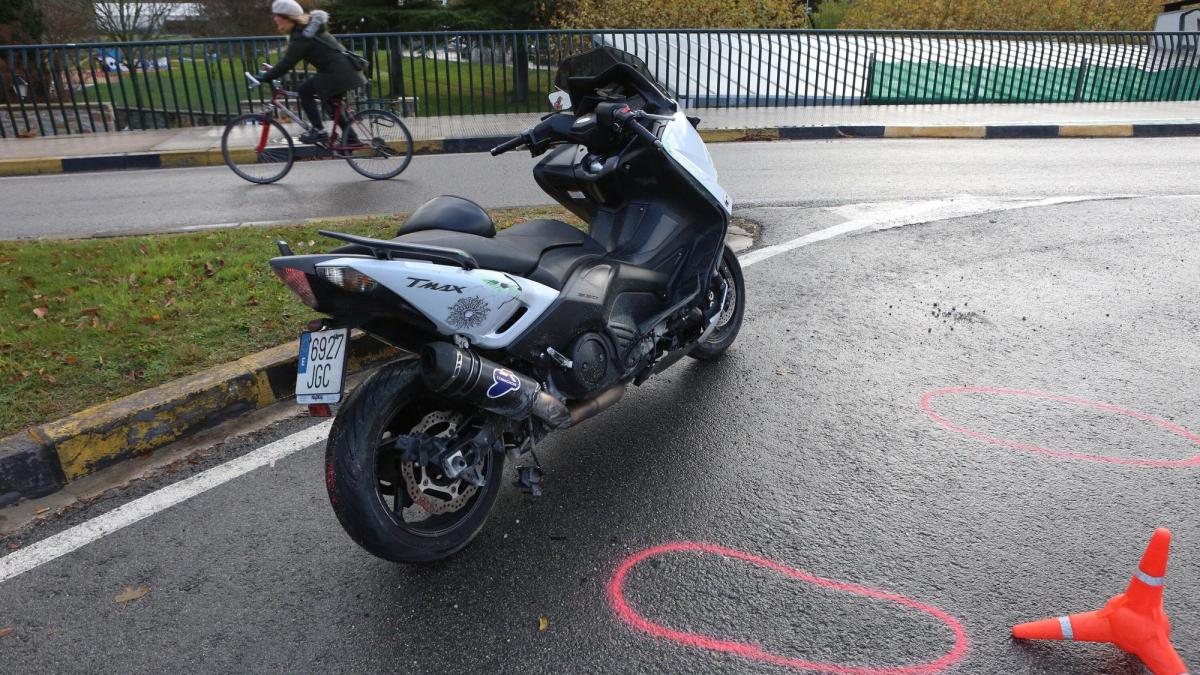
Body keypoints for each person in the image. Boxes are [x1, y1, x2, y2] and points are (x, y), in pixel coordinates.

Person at [259, 1, 368, 144]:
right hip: (344, 70)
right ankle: (352, 138)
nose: (275, 19)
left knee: (305, 91)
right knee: (332, 105)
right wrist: (273, 71)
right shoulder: (307, 29)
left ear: (288, 17)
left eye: (277, 16)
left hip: (336, 72)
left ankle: (319, 131)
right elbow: (288, 60)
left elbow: (288, 62)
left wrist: (266, 77)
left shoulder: (302, 36)